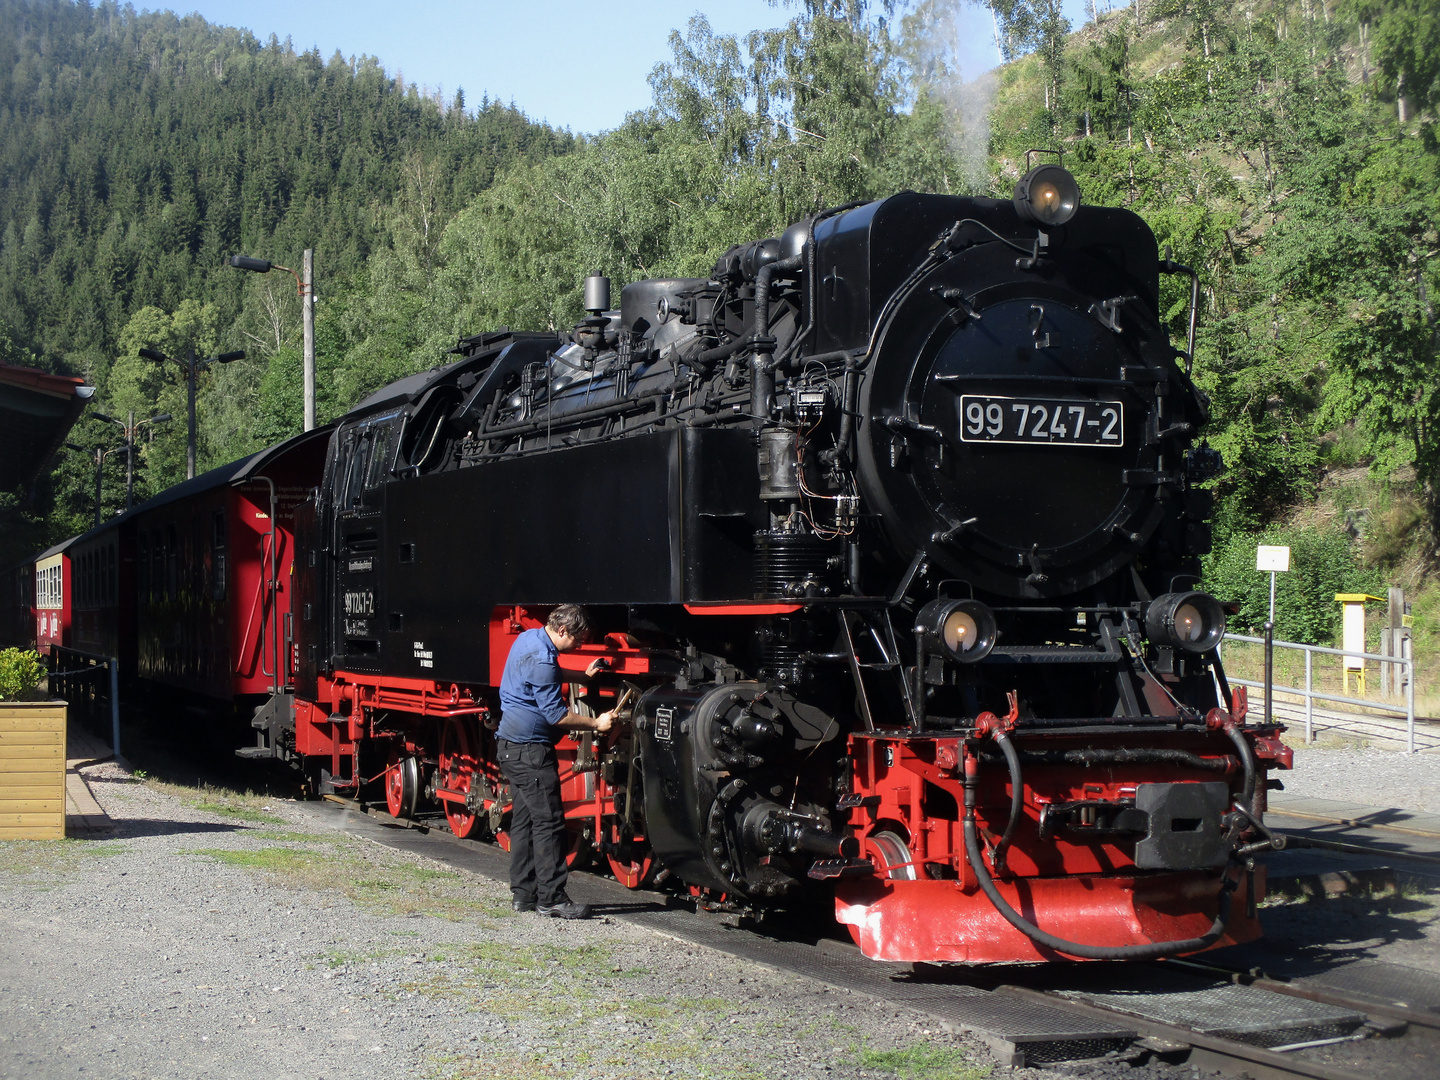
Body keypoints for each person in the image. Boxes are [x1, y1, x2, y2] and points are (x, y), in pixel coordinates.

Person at [495, 604, 613, 919]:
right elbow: (558, 716)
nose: (580, 645)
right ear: (562, 631)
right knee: (549, 822)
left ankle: (523, 896)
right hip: (530, 752)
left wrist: (581, 676)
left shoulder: (528, 639)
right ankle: (552, 898)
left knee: (523, 822)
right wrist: (597, 724)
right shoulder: (544, 659)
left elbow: (546, 673)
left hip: (510, 746)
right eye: (578, 639)